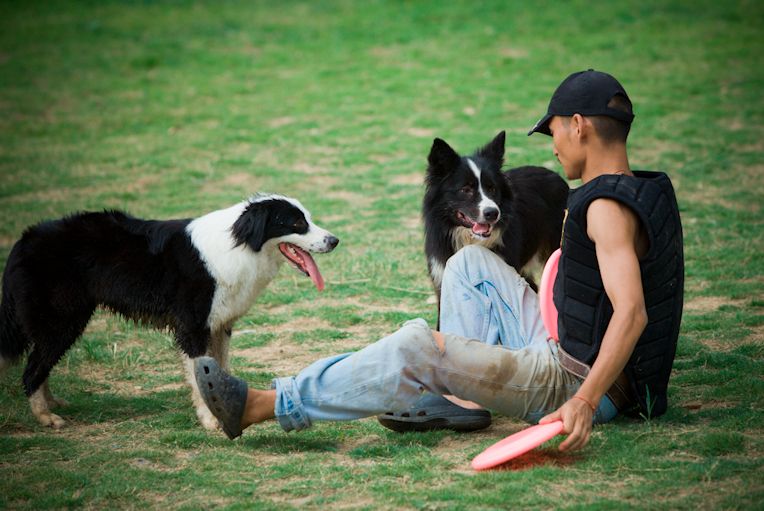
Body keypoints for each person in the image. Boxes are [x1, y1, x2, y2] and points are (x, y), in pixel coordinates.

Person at [194, 70, 684, 452]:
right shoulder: (643, 187)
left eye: (552, 131)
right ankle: (461, 398)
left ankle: (265, 405)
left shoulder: (605, 208)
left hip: (575, 380)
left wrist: (583, 400)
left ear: (578, 126)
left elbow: (632, 312)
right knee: (467, 265)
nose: (552, 146)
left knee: (416, 346)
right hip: (570, 348)